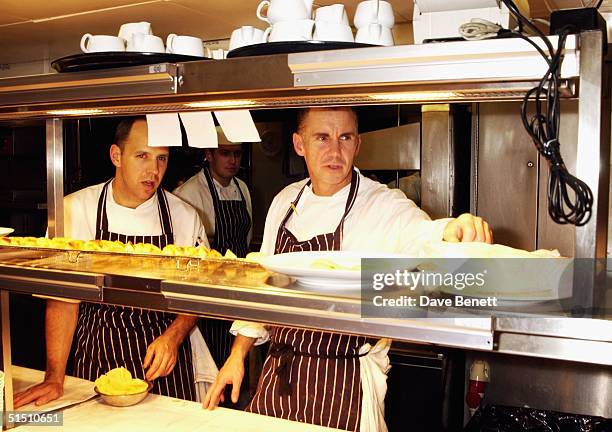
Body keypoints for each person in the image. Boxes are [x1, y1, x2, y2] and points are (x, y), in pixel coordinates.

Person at [202, 107, 492, 431]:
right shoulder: (284, 202)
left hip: (343, 384)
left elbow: (423, 235)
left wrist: (455, 227)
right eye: (322, 137)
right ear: (300, 144)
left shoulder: (382, 204)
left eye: (345, 137)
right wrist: (237, 355)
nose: (335, 151)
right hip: (279, 377)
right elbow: (265, 287)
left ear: (358, 144)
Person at [14, 117, 208, 408]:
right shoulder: (75, 209)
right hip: (97, 353)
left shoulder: (184, 216)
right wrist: (54, 378)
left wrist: (175, 336)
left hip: (165, 362)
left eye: (161, 159)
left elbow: (198, 292)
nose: (153, 171)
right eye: (142, 156)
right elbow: (62, 301)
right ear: (116, 156)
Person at [173, 127, 252, 384]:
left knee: (240, 354)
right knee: (213, 363)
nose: (233, 161)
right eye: (225, 153)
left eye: (237, 154)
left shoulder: (243, 189)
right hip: (209, 293)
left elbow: (246, 238)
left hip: (241, 288)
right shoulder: (189, 193)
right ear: (208, 154)